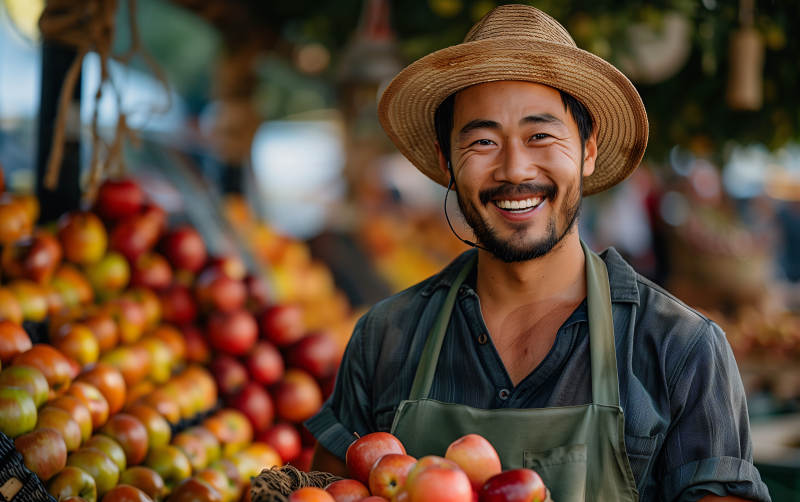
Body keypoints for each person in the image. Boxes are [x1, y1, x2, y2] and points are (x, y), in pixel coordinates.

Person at [306, 5, 770, 501]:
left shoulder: (678, 349)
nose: (515, 169)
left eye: (541, 135)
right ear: (446, 162)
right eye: (483, 140)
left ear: (588, 150)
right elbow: (328, 490)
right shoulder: (386, 340)